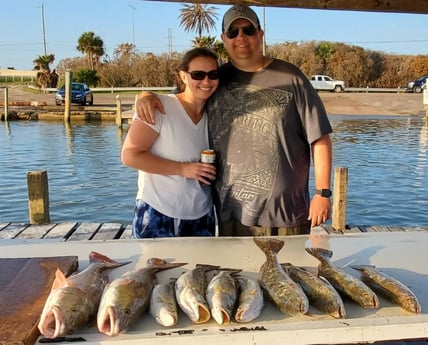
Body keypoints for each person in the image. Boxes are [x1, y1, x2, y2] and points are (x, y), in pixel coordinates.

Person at [136, 5, 333, 236]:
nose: (241, 37)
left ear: (260, 34)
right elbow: (181, 100)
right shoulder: (214, 79)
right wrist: (146, 95)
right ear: (224, 39)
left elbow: (320, 138)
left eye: (248, 30)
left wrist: (323, 193)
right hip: (232, 215)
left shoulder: (292, 77)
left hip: (287, 215)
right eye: (233, 32)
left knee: (293, 272)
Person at [121, 47, 219, 238]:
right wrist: (184, 169)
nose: (206, 81)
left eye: (213, 74)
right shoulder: (159, 107)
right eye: (198, 75)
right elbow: (130, 155)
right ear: (183, 76)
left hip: (202, 215)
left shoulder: (216, 113)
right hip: (158, 213)